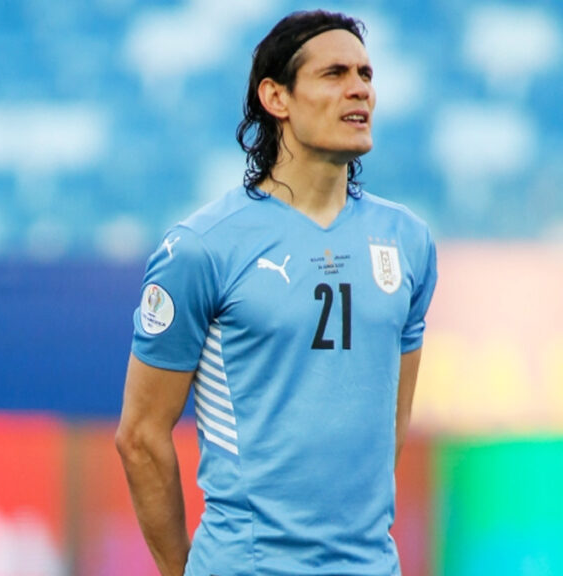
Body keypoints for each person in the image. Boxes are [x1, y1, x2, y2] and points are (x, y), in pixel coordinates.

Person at [115, 10, 437, 576]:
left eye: (365, 74)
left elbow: (391, 419)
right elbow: (140, 436)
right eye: (334, 74)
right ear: (276, 97)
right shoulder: (202, 248)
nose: (360, 89)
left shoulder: (407, 241)